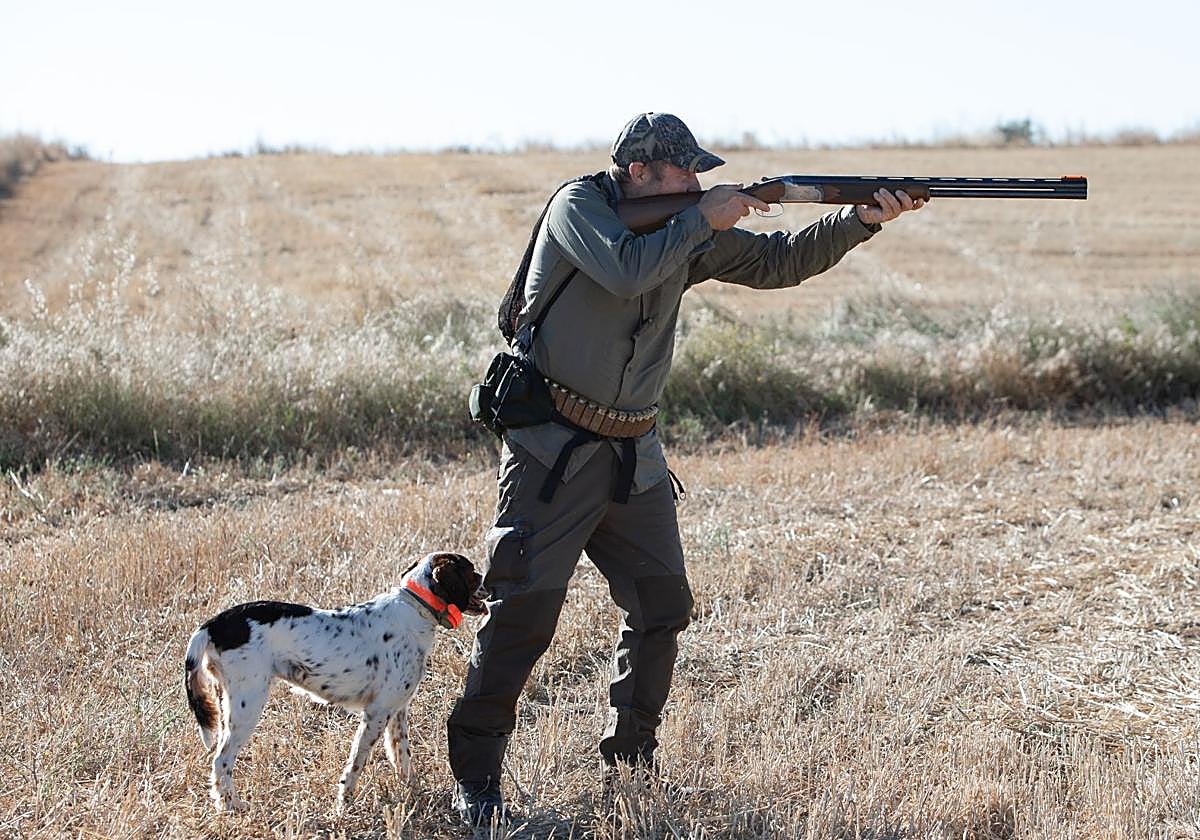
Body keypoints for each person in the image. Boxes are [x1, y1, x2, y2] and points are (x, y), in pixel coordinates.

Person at [448, 112, 925, 826]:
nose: (697, 183)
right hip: (553, 453)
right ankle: (477, 784)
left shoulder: (680, 231)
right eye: (682, 173)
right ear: (639, 173)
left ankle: (630, 761)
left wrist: (859, 221)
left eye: (700, 174)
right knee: (522, 618)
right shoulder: (579, 208)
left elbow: (777, 263)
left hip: (634, 455)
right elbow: (625, 267)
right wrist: (702, 219)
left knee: (662, 607)